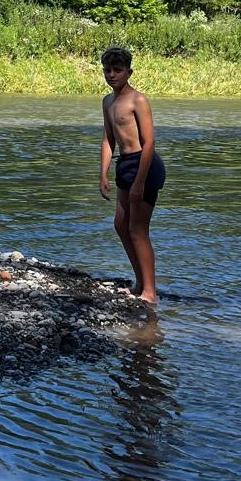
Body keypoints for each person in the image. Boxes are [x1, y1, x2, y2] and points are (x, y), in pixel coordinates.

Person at [100, 45, 164, 306]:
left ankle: (150, 292)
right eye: (107, 70)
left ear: (129, 72)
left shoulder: (138, 100)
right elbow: (108, 139)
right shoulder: (107, 101)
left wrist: (139, 181)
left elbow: (149, 143)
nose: (111, 75)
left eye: (117, 70)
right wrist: (103, 174)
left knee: (138, 229)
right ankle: (140, 282)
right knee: (121, 224)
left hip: (144, 164)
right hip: (125, 163)